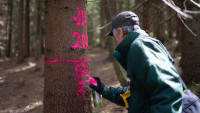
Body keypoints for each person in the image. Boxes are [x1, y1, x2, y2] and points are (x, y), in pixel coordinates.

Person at [89, 11, 183, 113]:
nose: (115, 40)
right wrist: (104, 90)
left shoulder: (141, 46)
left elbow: (168, 89)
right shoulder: (143, 44)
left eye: (114, 35)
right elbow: (137, 94)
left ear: (120, 32)